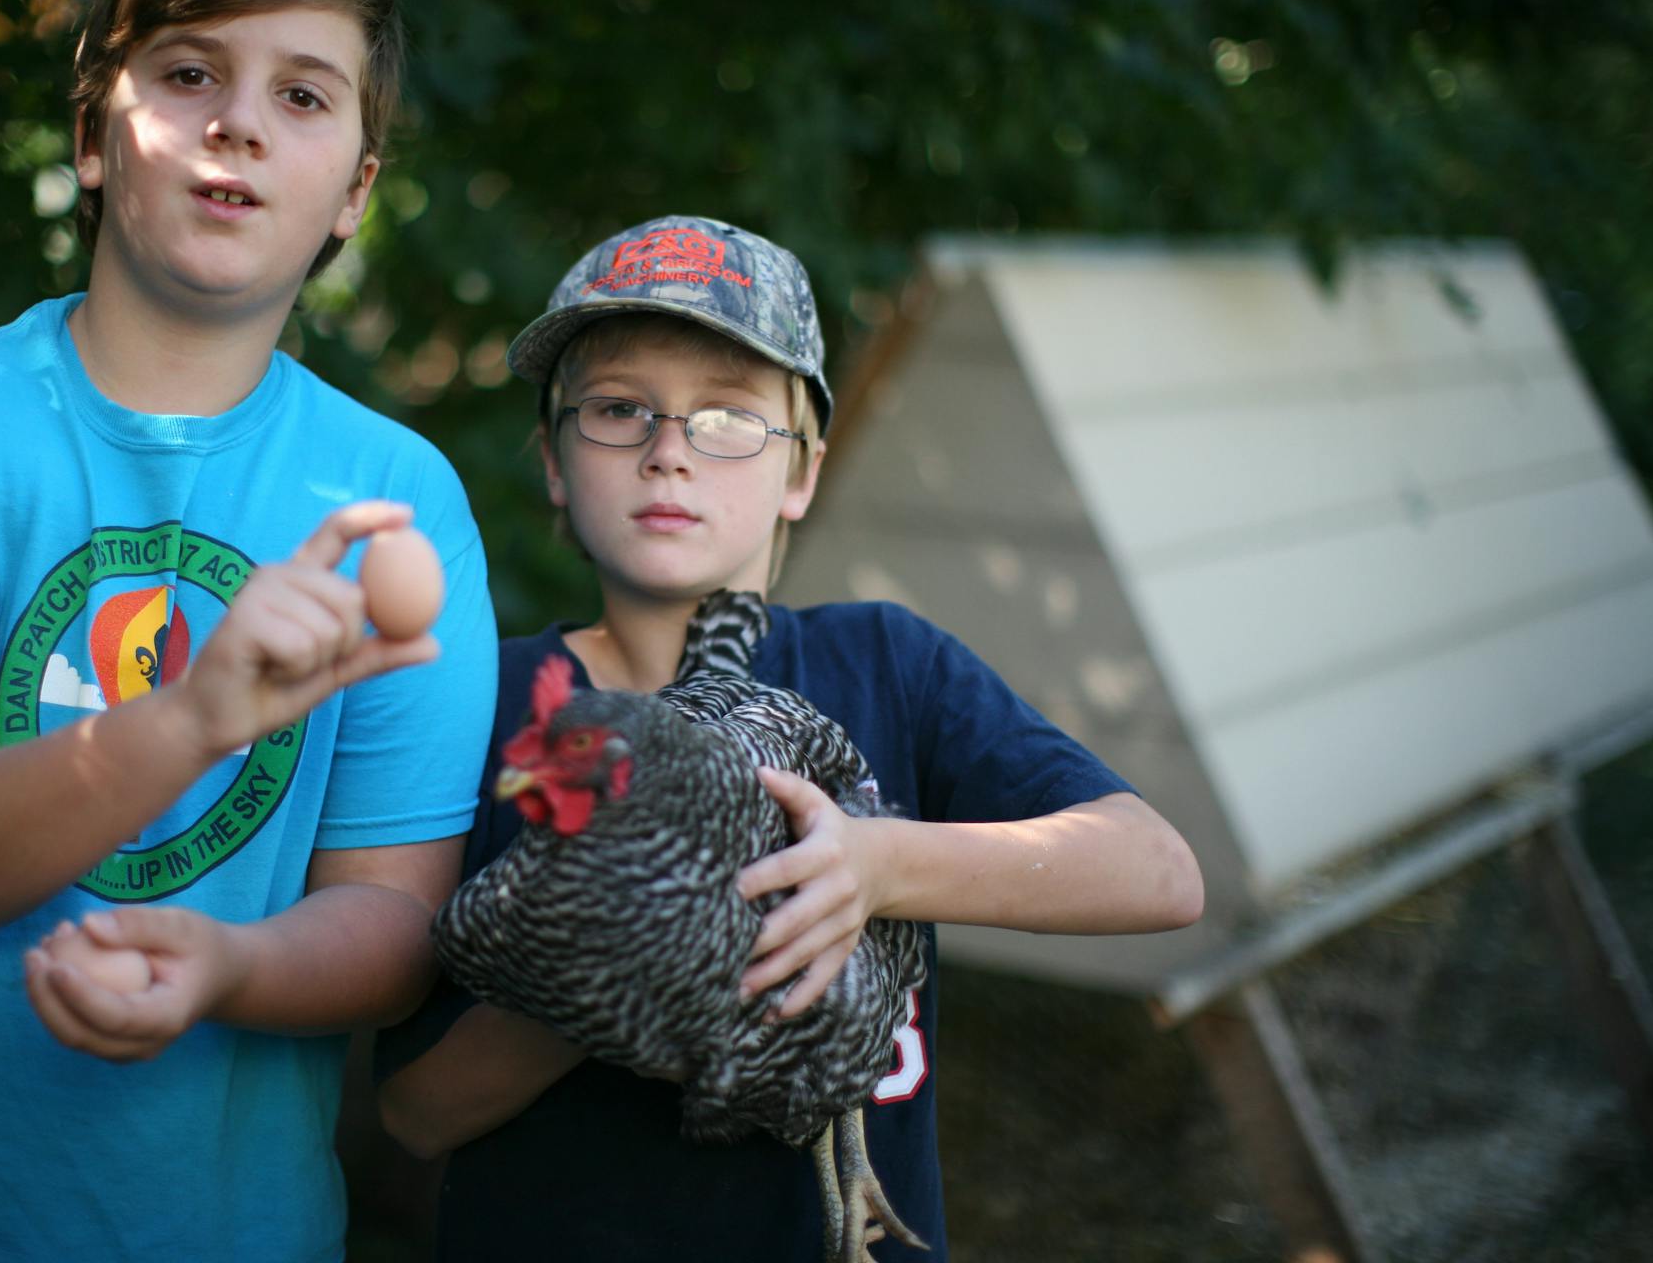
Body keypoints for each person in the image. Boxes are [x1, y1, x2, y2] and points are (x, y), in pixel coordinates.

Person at [0, 0, 496, 1262]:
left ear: (358, 190)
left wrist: (231, 969)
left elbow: (395, 920)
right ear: (95, 138)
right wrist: (195, 718)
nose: (240, 122)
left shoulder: (399, 503)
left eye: (304, 94)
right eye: (190, 72)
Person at [374, 215, 1204, 1262]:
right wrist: (610, 967)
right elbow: (412, 1114)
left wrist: (879, 861)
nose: (669, 451)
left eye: (727, 417)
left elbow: (1161, 873)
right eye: (619, 410)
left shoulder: (888, 668)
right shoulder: (483, 705)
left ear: (802, 472)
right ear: (553, 460)